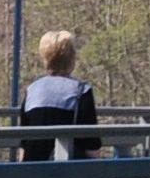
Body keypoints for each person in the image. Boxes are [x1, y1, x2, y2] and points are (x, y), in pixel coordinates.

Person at [16, 28, 100, 160]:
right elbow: (92, 146)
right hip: (70, 167)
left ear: (45, 58)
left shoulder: (32, 90)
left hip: (32, 167)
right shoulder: (81, 91)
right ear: (71, 59)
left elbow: (24, 143)